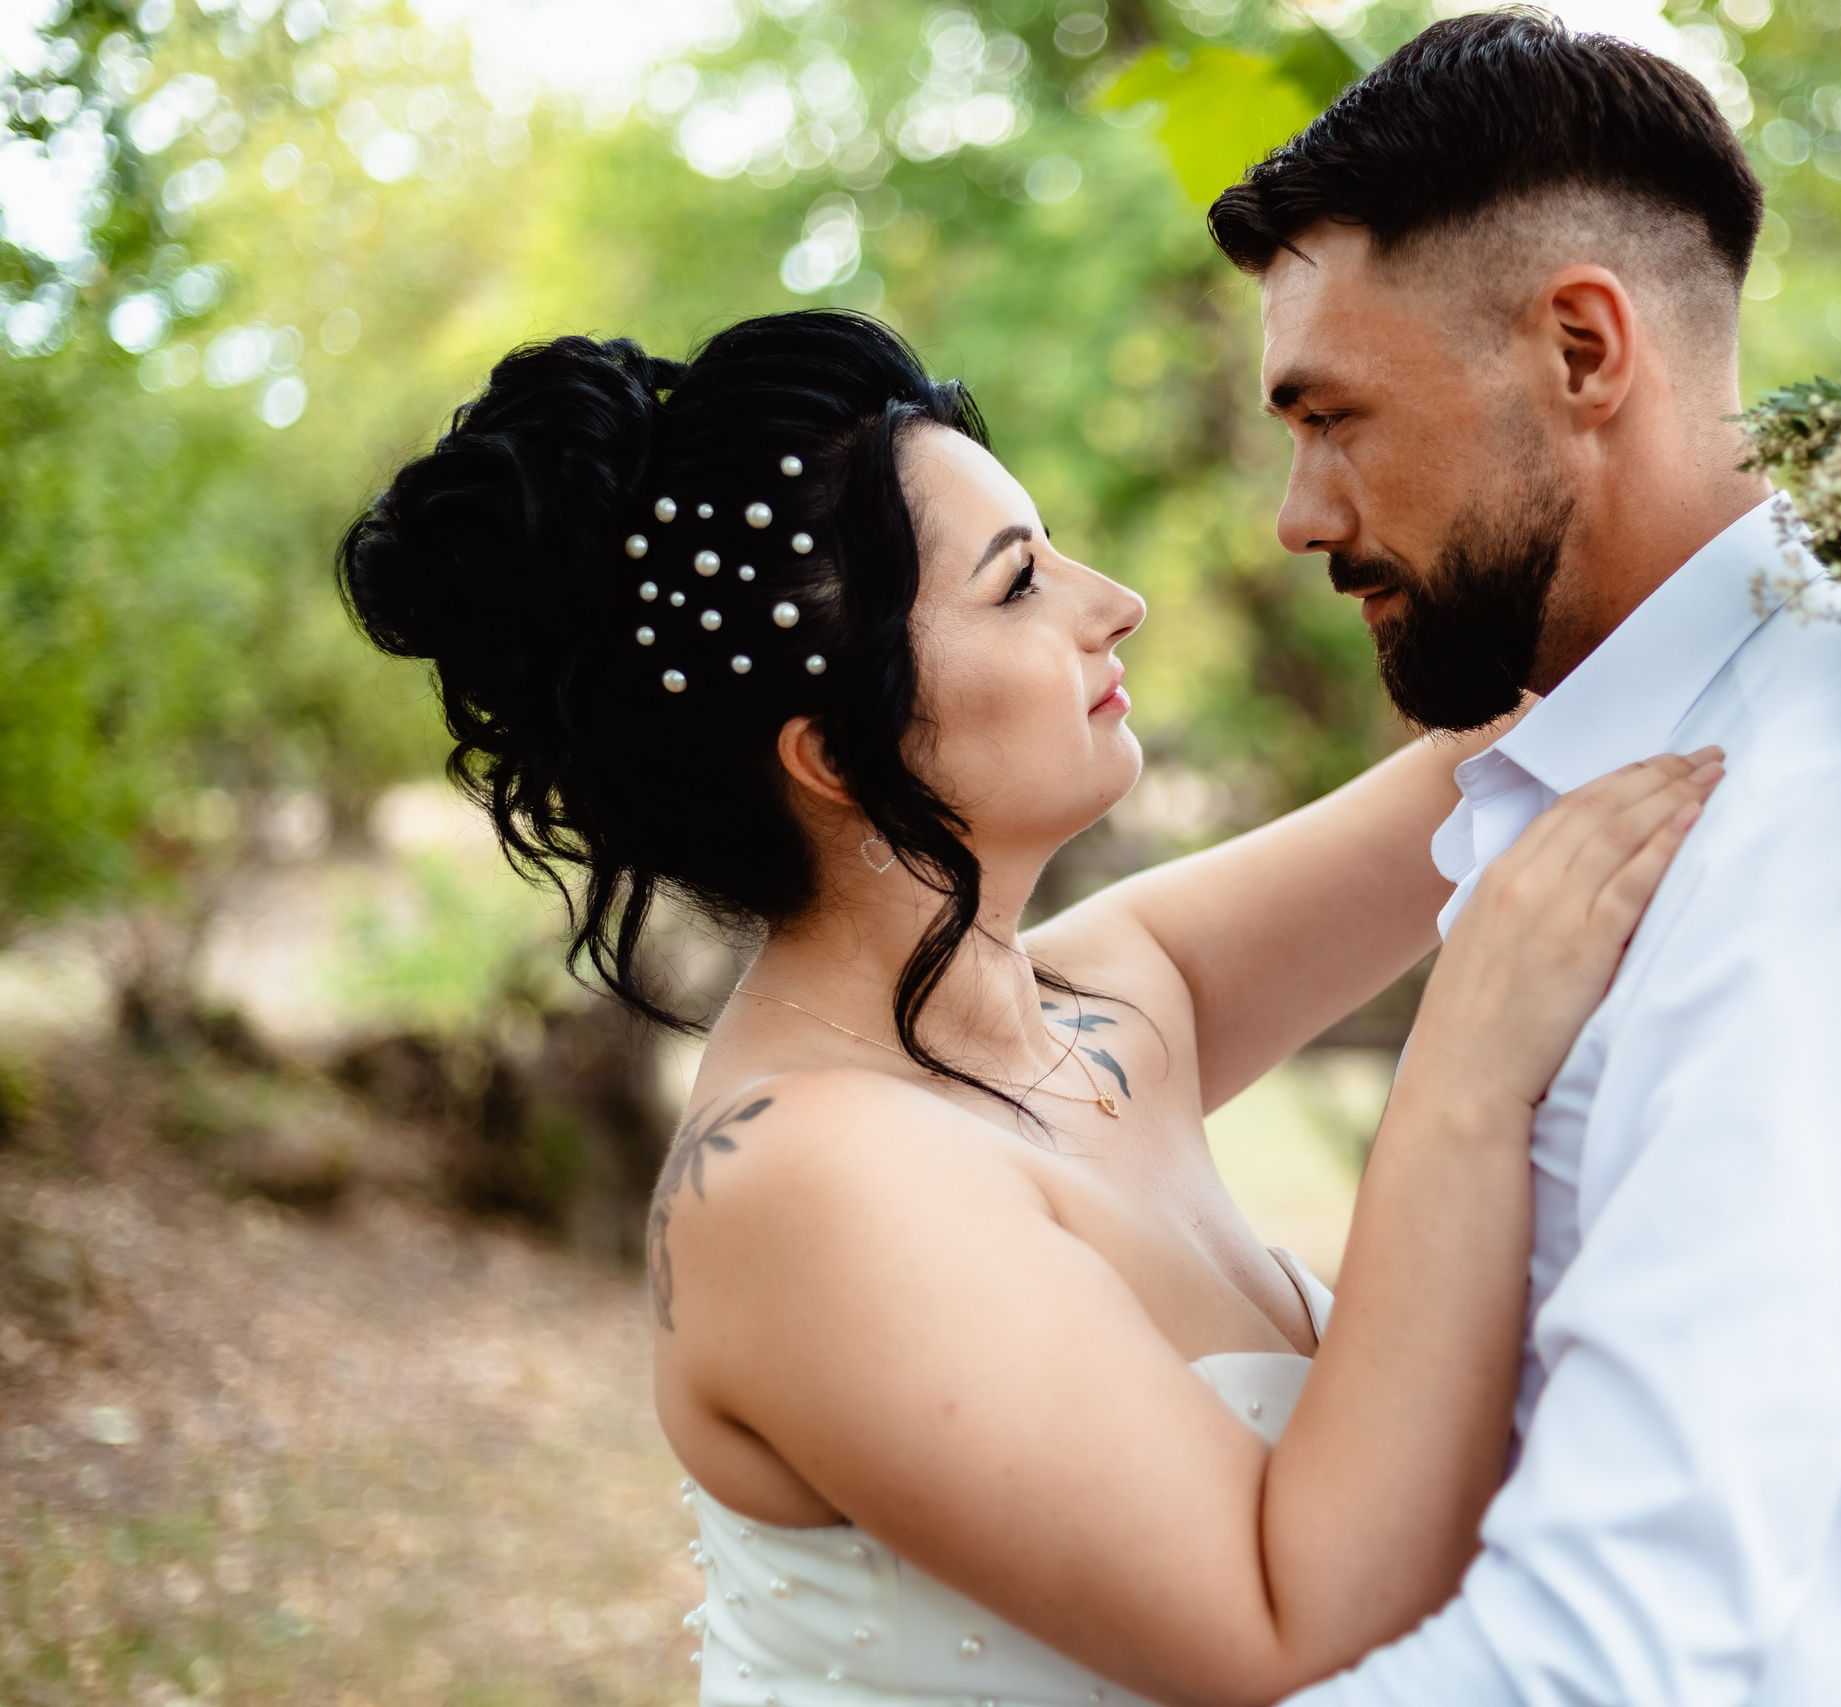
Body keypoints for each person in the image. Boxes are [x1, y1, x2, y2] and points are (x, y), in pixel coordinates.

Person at [336, 307, 1721, 1707]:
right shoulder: (809, 1184)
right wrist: (1468, 1077)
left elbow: (1525, 748)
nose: (1112, 598)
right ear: (834, 753)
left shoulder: (1101, 998)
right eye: (1016, 584)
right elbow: (1283, 1634)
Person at [1207, 14, 1841, 1705]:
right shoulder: (1638, 769)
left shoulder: (1820, 826)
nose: (1301, 514)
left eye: (1333, 414)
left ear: (1583, 350)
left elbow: (1615, 1652)